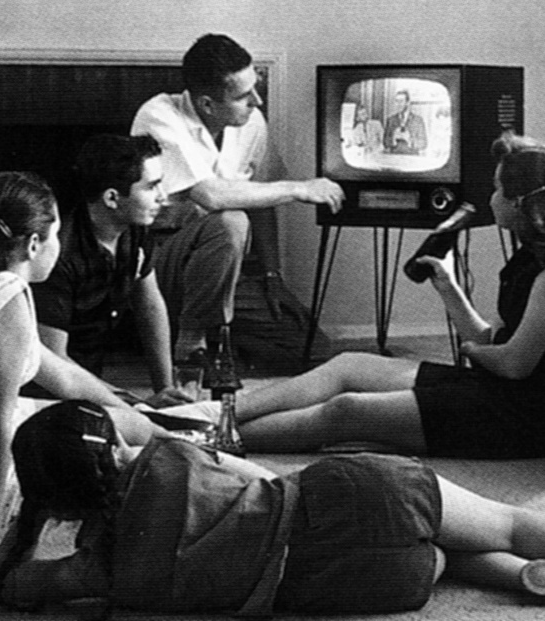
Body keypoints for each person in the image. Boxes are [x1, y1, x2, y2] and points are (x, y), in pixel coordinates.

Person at [0, 400, 545, 613]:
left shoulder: (101, 571)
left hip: (350, 589)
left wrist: (26, 523)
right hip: (349, 501)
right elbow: (244, 465)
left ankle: (523, 580)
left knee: (442, 559)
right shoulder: (166, 455)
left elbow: (12, 587)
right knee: (503, 514)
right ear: (113, 447)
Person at [231, 134, 545, 458]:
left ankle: (216, 441)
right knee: (348, 366)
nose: (491, 199)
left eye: (498, 189)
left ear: (521, 202)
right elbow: (491, 341)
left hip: (523, 419)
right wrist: (448, 286)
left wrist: (471, 355)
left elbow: (512, 364)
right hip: (496, 390)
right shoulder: (534, 256)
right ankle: (219, 413)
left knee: (347, 409)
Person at [0, 172, 164, 575]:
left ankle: (187, 433)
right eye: (57, 233)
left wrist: (138, 408)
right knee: (115, 445)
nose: (60, 245)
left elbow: (62, 376)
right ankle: (197, 448)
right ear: (33, 244)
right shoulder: (6, 294)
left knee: (132, 422)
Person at [130, 34, 345, 363]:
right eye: (244, 95)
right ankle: (191, 340)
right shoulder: (158, 117)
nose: (257, 100)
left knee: (312, 350)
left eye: (255, 87)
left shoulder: (250, 120)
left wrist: (272, 275)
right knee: (231, 220)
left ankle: (212, 329)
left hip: (222, 272)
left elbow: (261, 198)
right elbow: (210, 195)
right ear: (206, 104)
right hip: (158, 265)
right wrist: (299, 188)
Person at [30, 134, 187, 407]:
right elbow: (54, 363)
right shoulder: (60, 255)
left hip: (95, 384)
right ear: (112, 198)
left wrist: (166, 388)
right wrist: (133, 403)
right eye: (152, 187)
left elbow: (150, 306)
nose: (163, 198)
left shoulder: (135, 232)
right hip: (49, 395)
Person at [384, 88, 428, 154]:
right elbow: (385, 142)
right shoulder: (391, 120)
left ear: (407, 103)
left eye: (401, 101)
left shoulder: (418, 120)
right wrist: (393, 139)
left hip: (412, 159)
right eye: (396, 101)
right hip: (393, 158)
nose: (398, 104)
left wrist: (409, 140)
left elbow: (423, 143)